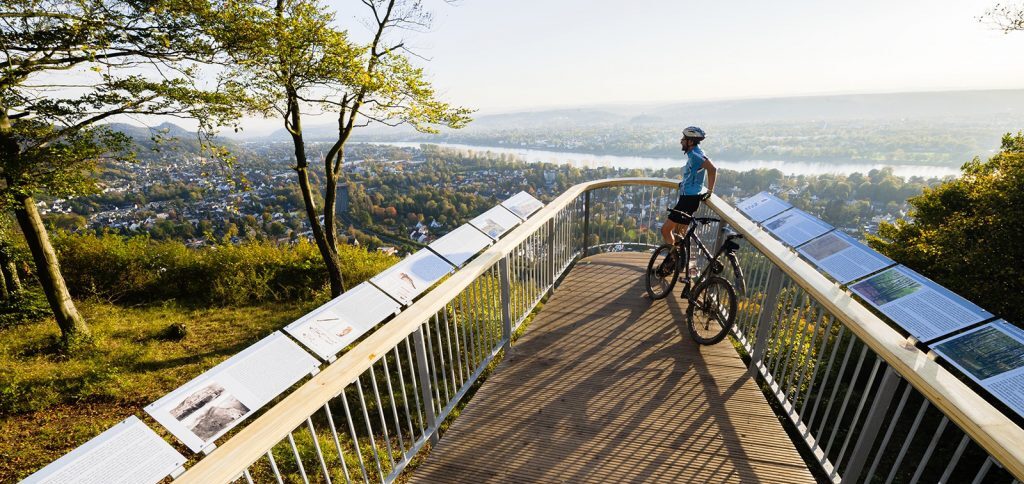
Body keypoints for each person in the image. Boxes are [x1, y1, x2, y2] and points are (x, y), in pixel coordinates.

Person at [661, 126, 717, 246]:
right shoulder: (694, 153)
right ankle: (678, 260)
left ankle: (674, 258)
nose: (681, 141)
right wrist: (685, 183)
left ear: (690, 141)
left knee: (666, 230)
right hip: (689, 197)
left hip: (689, 199)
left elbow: (712, 169)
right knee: (680, 234)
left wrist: (710, 190)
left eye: (684, 138)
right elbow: (694, 173)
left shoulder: (696, 155)